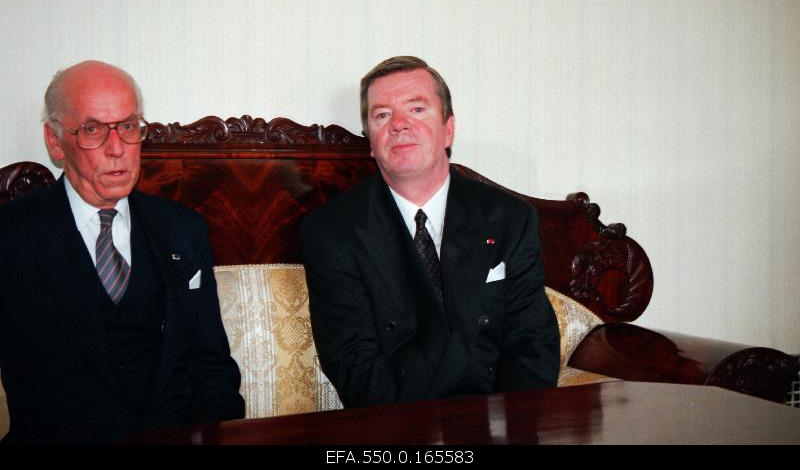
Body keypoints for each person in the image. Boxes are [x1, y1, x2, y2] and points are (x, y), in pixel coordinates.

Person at [0, 60, 244, 444]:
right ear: (55, 140)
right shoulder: (11, 235)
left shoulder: (182, 229)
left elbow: (212, 365)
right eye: (93, 129)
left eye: (128, 126)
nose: (117, 149)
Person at [301, 56, 560, 408]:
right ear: (371, 141)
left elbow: (532, 344)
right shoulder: (333, 231)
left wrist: (503, 424)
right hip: (397, 423)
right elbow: (354, 365)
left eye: (417, 109)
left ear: (448, 129)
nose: (399, 125)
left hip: (500, 419)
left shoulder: (509, 219)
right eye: (382, 115)